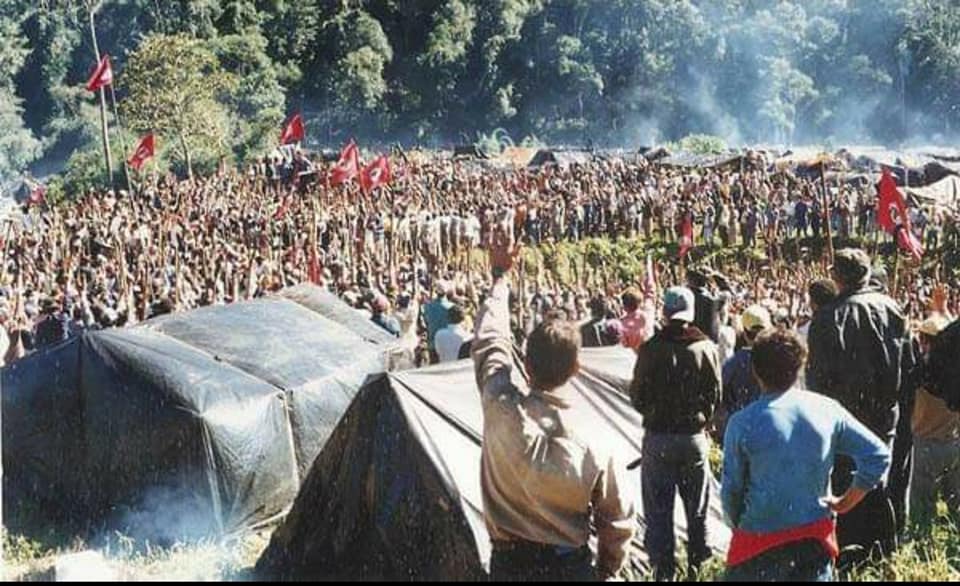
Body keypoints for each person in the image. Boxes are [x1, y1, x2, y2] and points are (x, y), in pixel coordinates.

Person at [472, 230, 636, 582]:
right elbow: (617, 521)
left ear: (526, 366)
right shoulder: (597, 439)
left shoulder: (499, 406)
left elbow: (489, 341)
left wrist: (500, 277)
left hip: (510, 567)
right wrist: (605, 571)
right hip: (569, 567)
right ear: (576, 369)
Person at [722, 329, 892, 582]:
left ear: (755, 370)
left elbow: (731, 492)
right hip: (812, 539)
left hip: (756, 543)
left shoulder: (742, 423)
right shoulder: (826, 409)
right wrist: (846, 502)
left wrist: (739, 523)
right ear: (801, 366)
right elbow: (878, 456)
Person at [807, 248, 907, 565]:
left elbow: (817, 381)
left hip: (844, 418)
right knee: (880, 479)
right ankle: (885, 552)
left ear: (836, 276)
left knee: (848, 485)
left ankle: (854, 557)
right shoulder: (892, 309)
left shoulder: (825, 318)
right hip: (884, 413)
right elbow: (905, 366)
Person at [629, 286, 721, 581]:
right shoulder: (706, 347)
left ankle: (663, 574)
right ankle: (697, 570)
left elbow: (637, 396)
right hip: (693, 438)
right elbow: (715, 394)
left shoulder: (650, 347)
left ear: (666, 313)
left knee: (659, 514)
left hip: (658, 438)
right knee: (697, 510)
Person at [909, 315, 960, 528]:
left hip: (924, 445)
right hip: (953, 443)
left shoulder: (922, 374)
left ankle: (923, 543)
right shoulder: (953, 373)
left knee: (922, 507)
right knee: (956, 502)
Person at [719, 304, 773, 433]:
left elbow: (720, 389)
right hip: (769, 424)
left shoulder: (735, 361)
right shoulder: (777, 359)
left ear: (744, 333)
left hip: (740, 424)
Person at [424, 282, 454, 363]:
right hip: (447, 343)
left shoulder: (428, 306)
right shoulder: (451, 307)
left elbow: (426, 321)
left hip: (433, 344)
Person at [618, 286, 654, 351]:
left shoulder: (621, 322)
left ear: (624, 306)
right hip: (647, 354)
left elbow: (623, 344)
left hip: (628, 356)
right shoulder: (645, 317)